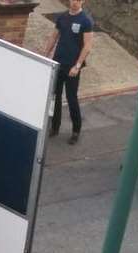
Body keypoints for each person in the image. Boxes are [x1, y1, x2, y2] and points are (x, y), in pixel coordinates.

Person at [43, 0, 94, 145]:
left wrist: (77, 66)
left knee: (71, 98)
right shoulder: (62, 17)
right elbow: (54, 36)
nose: (75, 2)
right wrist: (45, 54)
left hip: (72, 68)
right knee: (55, 97)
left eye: (78, 0)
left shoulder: (85, 21)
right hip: (58, 64)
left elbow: (87, 46)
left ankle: (76, 130)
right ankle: (55, 126)